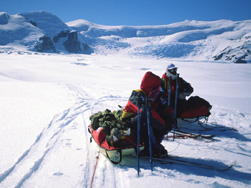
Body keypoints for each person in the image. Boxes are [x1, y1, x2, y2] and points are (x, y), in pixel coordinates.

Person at [121, 71, 173, 157]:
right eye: (156, 89)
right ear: (150, 88)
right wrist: (161, 123)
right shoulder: (137, 95)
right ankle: (148, 147)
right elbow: (144, 110)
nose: (158, 91)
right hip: (129, 122)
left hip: (143, 122)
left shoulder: (153, 97)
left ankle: (154, 143)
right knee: (145, 117)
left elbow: (164, 107)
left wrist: (169, 116)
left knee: (165, 118)